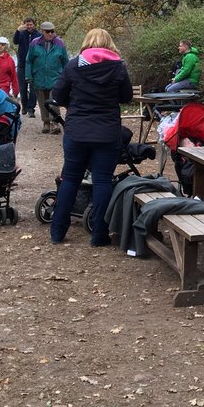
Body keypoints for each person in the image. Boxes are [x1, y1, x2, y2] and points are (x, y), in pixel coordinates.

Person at [49, 28, 135, 246]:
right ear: (110, 44)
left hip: (77, 131)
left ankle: (57, 232)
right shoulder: (118, 68)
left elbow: (57, 95)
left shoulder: (74, 65)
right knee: (103, 181)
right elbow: (126, 97)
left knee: (70, 178)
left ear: (87, 42)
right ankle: (99, 235)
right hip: (107, 132)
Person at [27, 21, 69, 134]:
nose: (51, 33)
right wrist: (28, 76)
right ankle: (46, 122)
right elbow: (29, 61)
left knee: (53, 101)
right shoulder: (34, 43)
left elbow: (65, 61)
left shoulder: (60, 44)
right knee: (42, 101)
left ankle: (55, 122)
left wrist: (67, 78)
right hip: (39, 77)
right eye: (48, 31)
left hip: (56, 77)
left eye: (52, 31)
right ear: (42, 31)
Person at [13, 17, 41, 117]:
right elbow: (15, 41)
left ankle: (31, 109)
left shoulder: (39, 35)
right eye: (27, 25)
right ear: (24, 25)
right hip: (22, 64)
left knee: (33, 88)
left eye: (31, 24)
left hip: (34, 65)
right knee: (23, 87)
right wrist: (17, 30)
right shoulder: (21, 34)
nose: (29, 27)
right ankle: (24, 106)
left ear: (34, 25)